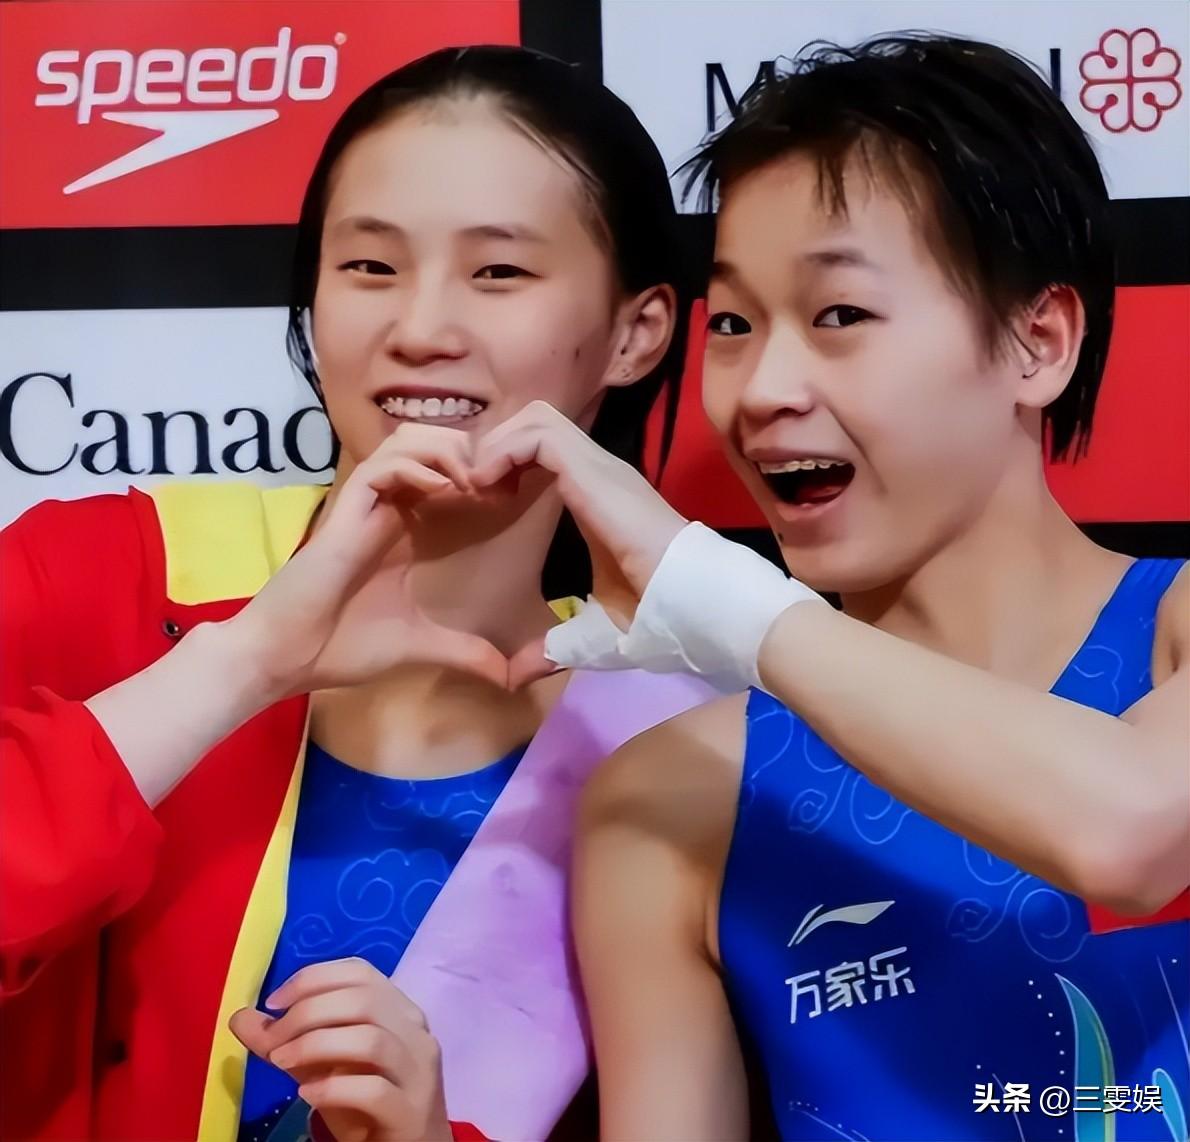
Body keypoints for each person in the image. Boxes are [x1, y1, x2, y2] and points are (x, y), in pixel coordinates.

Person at [466, 36, 1189, 1140]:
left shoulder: (1175, 630)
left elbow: (1132, 832)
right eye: (731, 325)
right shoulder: (673, 795)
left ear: (1036, 342)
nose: (761, 389)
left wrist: (727, 604)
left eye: (838, 314)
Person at [0, 45, 707, 1142]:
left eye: (498, 273)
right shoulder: (96, 570)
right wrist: (242, 663)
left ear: (635, 331)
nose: (419, 327)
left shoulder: (673, 738)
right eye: (370, 266)